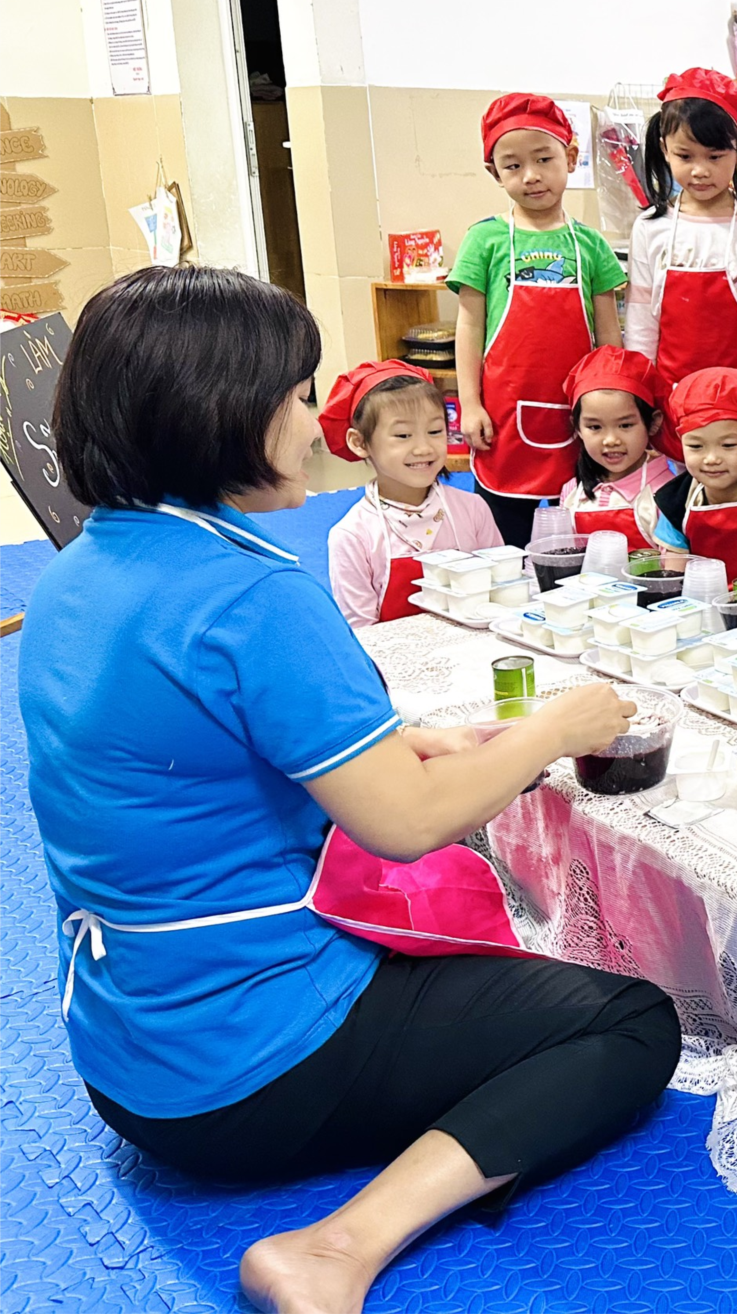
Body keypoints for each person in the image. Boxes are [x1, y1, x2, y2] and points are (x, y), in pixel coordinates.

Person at [22, 266, 679, 1314]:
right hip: (248, 1067)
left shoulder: (78, 572)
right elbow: (407, 826)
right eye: (295, 397)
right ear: (217, 412)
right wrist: (556, 728)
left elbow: (186, 747)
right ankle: (338, 1246)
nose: (313, 425)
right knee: (633, 1021)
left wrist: (403, 739)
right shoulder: (253, 593)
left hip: (126, 1054)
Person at [451, 93, 626, 545]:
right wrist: (470, 403)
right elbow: (469, 327)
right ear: (494, 172)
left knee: (578, 536)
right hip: (504, 414)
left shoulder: (591, 245)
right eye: (512, 166)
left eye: (544, 159)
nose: (531, 176)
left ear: (571, 157)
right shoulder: (484, 240)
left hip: (579, 415)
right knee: (505, 539)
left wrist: (617, 403)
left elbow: (609, 337)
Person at [625, 67, 737, 416]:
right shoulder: (650, 228)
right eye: (685, 156)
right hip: (673, 403)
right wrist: (642, 398)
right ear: (665, 149)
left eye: (715, 157)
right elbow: (641, 325)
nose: (700, 170)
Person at [322, 360, 502, 629]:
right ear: (359, 443)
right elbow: (362, 632)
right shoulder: (353, 535)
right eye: (403, 435)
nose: (423, 448)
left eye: (434, 431)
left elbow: (500, 589)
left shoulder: (473, 509)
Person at [653, 366, 737, 583]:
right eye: (696, 446)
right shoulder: (674, 501)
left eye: (728, 445)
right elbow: (674, 576)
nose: (711, 459)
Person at [557, 346, 675, 551]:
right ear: (577, 428)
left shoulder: (667, 494)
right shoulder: (572, 492)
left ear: (653, 422)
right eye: (595, 427)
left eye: (625, 425)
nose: (611, 440)